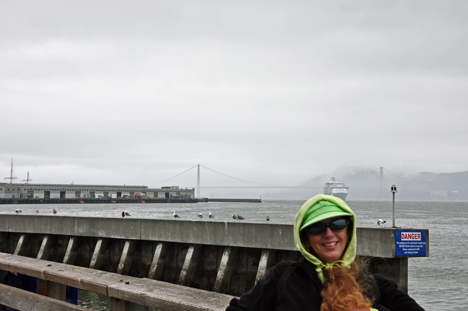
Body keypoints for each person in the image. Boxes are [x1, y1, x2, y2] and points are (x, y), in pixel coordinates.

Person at [226, 194, 425, 311]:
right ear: (305, 238)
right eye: (316, 227)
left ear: (349, 231)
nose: (328, 234)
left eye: (337, 224)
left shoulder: (375, 285)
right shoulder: (284, 277)